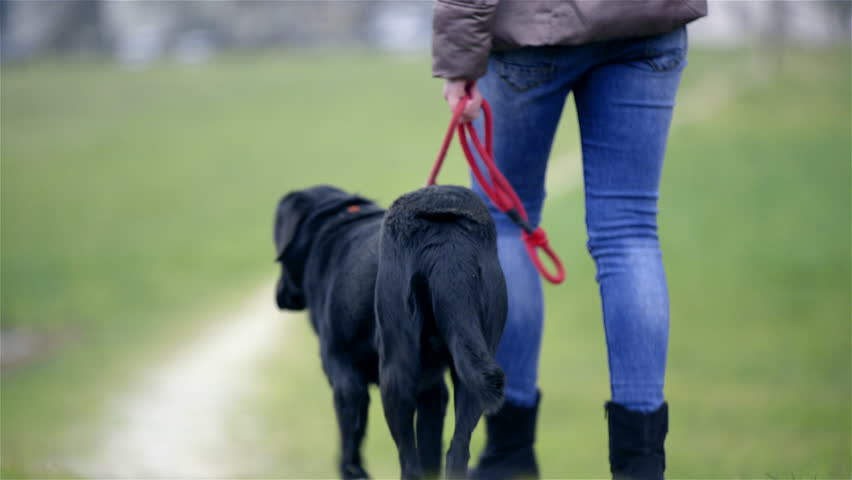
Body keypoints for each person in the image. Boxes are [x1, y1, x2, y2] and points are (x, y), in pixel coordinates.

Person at [432, 1, 707, 479]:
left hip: (535, 30)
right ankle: (641, 465)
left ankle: (508, 453)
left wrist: (459, 59)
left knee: (504, 225)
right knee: (631, 234)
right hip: (648, 21)